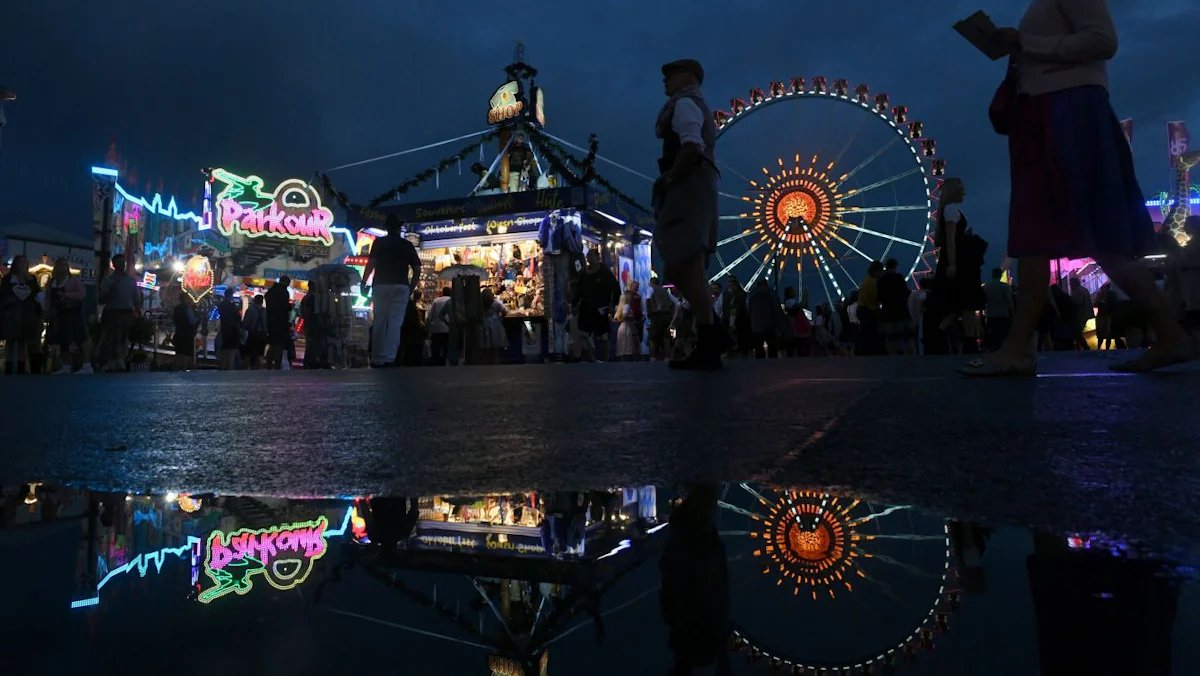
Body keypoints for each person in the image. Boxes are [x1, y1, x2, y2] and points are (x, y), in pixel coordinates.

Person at [963, 0, 1197, 375]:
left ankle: (1019, 349)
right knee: (1050, 230)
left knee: (1059, 227)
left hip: (1065, 110)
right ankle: (1170, 336)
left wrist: (1024, 42)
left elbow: (1103, 41)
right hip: (1048, 111)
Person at [652, 58, 721, 369]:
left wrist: (671, 178)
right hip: (697, 184)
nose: (664, 81)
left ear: (687, 77)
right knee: (682, 266)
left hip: (688, 185)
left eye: (670, 75)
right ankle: (711, 335)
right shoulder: (691, 105)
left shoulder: (685, 105)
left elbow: (691, 144)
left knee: (683, 262)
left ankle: (709, 339)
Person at [363, 215, 422, 368]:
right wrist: (411, 286)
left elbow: (371, 264)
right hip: (401, 285)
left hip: (381, 284)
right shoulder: (407, 245)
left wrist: (364, 282)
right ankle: (390, 357)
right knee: (395, 323)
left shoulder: (379, 243)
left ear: (387, 228)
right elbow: (416, 268)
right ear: (398, 228)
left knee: (379, 322)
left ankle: (377, 357)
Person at [44, 257, 92, 374]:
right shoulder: (52, 281)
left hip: (73, 312)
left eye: (65, 265)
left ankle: (87, 365)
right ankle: (66, 365)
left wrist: (65, 295)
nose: (63, 267)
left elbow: (81, 294)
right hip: (58, 313)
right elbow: (48, 297)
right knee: (62, 339)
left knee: (81, 338)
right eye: (60, 265)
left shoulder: (73, 280)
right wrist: (47, 311)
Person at [96, 253, 142, 373]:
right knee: (116, 337)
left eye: (123, 262)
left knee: (121, 337)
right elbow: (102, 298)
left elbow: (136, 298)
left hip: (124, 312)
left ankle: (116, 361)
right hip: (114, 312)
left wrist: (138, 312)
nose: (122, 264)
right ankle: (118, 362)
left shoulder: (129, 280)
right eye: (119, 262)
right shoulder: (110, 280)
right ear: (114, 264)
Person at [0, 255, 43, 375]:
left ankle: (21, 366)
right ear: (16, 264)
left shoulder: (32, 279)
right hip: (11, 313)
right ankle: (8, 366)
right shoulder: (8, 279)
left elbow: (36, 294)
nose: (23, 265)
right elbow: (3, 295)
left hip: (26, 313)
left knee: (22, 341)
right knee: (10, 341)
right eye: (21, 262)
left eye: (25, 262)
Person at [575, 250, 620, 361]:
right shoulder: (584, 273)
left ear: (597, 257)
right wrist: (574, 304)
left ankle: (605, 358)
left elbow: (615, 288)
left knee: (603, 335)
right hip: (586, 308)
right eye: (588, 255)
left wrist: (612, 304)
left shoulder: (604, 272)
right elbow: (578, 291)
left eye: (591, 255)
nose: (588, 258)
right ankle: (589, 356)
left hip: (600, 308)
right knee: (583, 333)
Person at [877, 258, 916, 355]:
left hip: (887, 311)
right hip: (901, 310)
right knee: (908, 337)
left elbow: (879, 297)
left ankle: (893, 359)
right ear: (895, 267)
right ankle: (912, 358)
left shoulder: (881, 280)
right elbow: (906, 293)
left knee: (891, 339)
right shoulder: (899, 278)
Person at [982, 268, 1015, 352]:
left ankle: (992, 352)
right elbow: (1009, 301)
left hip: (991, 315)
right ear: (1000, 275)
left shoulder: (986, 287)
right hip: (1003, 315)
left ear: (992, 275)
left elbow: (984, 302)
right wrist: (1012, 313)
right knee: (1003, 336)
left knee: (992, 336)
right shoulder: (1005, 286)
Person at [264, 276, 293, 369]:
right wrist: (290, 307)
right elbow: (284, 307)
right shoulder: (284, 292)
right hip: (281, 322)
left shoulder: (271, 291)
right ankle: (277, 364)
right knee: (279, 345)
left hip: (271, 321)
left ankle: (268, 364)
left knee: (272, 344)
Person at [646, 277, 675, 361]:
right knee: (666, 338)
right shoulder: (664, 291)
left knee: (652, 338)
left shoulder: (651, 288)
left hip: (656, 315)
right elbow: (674, 302)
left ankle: (653, 358)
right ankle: (667, 358)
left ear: (651, 283)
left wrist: (649, 313)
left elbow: (648, 299)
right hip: (667, 316)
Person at [426, 287, 452, 365]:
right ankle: (443, 359)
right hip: (448, 327)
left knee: (436, 345)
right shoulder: (452, 301)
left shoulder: (436, 301)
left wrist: (427, 326)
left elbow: (430, 315)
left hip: (436, 327)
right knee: (446, 345)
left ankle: (435, 360)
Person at [216, 287, 241, 370]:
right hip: (232, 331)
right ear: (231, 295)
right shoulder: (231, 305)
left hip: (224, 329)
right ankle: (229, 369)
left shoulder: (222, 305)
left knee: (224, 352)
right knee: (231, 353)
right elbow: (238, 317)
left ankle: (222, 368)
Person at [172, 293, 198, 371]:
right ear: (185, 299)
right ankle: (183, 371)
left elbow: (175, 320)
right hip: (187, 334)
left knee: (178, 354)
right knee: (185, 355)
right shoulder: (188, 308)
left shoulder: (176, 309)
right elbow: (192, 321)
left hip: (179, 333)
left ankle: (174, 370)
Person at [241, 295, 268, 370]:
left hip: (252, 334)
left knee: (248, 354)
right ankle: (258, 370)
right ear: (262, 301)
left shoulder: (250, 310)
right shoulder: (265, 311)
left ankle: (245, 370)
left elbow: (245, 324)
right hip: (262, 335)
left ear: (254, 301)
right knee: (260, 354)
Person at [1069, 277, 1094, 350]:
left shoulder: (1078, 291)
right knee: (1078, 332)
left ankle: (1085, 347)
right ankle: (1080, 346)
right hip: (1085, 314)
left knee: (1077, 332)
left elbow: (1076, 302)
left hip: (1080, 315)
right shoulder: (1083, 290)